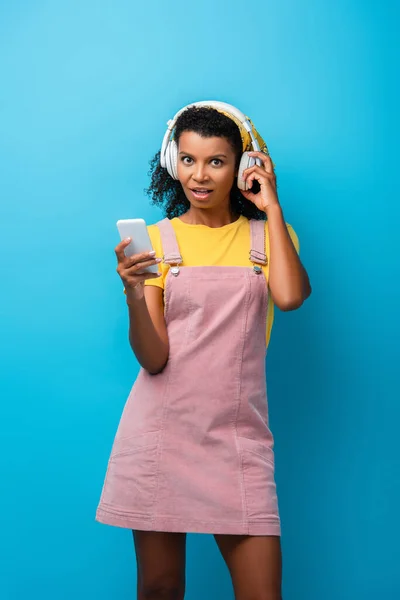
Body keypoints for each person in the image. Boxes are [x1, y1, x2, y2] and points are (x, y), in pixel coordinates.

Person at [96, 101, 312, 600]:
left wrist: (272, 207)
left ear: (243, 166)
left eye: (216, 161)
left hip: (238, 441)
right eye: (189, 159)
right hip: (161, 439)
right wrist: (133, 291)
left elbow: (290, 297)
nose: (200, 175)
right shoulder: (154, 242)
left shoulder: (270, 235)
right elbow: (154, 359)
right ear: (173, 163)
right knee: (160, 587)